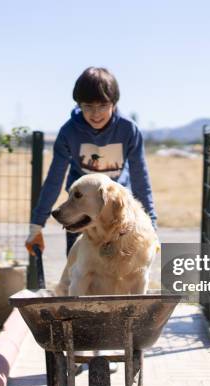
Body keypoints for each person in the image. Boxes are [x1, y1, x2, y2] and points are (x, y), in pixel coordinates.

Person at [25, 66, 157, 257]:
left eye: (102, 106)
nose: (95, 114)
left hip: (115, 212)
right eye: (88, 106)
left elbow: (140, 178)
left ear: (114, 103)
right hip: (80, 211)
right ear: (79, 104)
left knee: (118, 271)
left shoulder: (128, 130)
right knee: (79, 272)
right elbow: (54, 179)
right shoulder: (69, 132)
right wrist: (36, 227)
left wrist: (151, 226)